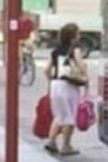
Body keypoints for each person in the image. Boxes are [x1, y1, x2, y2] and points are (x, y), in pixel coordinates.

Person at [44, 23, 86, 156]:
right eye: (78, 34)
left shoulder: (56, 50)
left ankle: (51, 142)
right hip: (68, 86)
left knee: (59, 115)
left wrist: (52, 78)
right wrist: (83, 71)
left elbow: (46, 70)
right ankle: (66, 146)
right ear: (72, 37)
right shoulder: (75, 49)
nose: (79, 37)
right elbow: (80, 66)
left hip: (56, 84)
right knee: (70, 116)